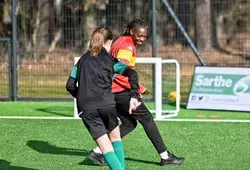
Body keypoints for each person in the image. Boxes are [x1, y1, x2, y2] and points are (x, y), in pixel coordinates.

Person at [88, 19, 185, 166]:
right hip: (121, 92)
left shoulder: (121, 40)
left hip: (112, 92)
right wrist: (137, 88)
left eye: (145, 36)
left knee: (129, 123)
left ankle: (98, 151)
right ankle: (165, 156)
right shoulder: (126, 46)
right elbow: (120, 72)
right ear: (131, 31)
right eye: (139, 35)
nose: (142, 39)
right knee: (147, 118)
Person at [66, 27, 140, 170]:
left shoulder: (81, 60)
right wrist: (134, 95)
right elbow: (132, 74)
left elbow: (70, 85)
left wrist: (82, 96)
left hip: (86, 107)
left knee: (105, 148)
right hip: (106, 104)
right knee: (115, 139)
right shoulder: (111, 60)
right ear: (109, 41)